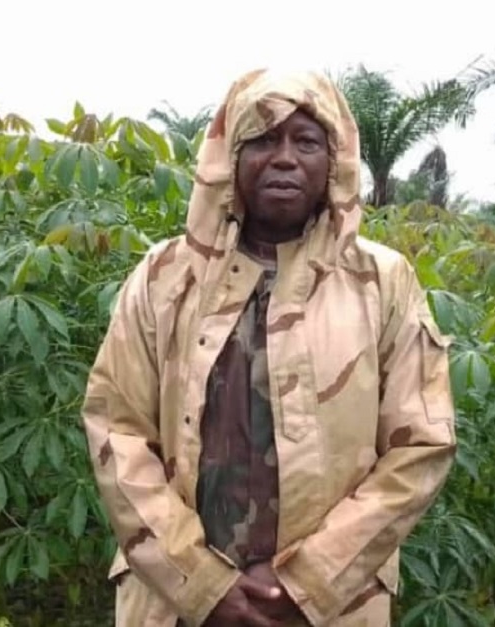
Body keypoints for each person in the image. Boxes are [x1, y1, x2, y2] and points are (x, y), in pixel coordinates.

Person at [80, 68, 458, 626]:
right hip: (175, 605)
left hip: (330, 608)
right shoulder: (164, 277)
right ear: (228, 158)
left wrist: (307, 583)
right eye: (261, 139)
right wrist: (200, 584)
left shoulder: (383, 282)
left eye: (306, 141)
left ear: (334, 160)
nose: (284, 157)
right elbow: (118, 428)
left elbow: (421, 444)